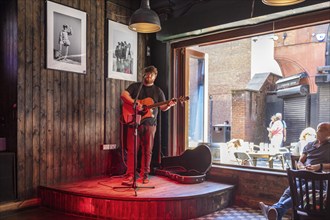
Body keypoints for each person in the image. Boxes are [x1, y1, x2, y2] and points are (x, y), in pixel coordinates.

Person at [259, 122, 330, 220]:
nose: (318, 131)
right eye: (318, 129)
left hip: (319, 180)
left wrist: (319, 166)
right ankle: (276, 212)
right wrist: (301, 167)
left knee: (298, 191)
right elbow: (300, 161)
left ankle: (275, 210)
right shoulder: (309, 145)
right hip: (303, 175)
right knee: (288, 192)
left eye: (322, 130)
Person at [121, 66, 177, 185]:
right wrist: (135, 103)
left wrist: (169, 105)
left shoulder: (158, 91)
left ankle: (145, 175)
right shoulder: (135, 87)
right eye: (147, 74)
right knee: (132, 150)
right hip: (133, 123)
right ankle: (130, 175)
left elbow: (163, 108)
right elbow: (124, 95)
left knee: (148, 151)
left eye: (151, 74)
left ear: (155, 76)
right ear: (144, 75)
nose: (149, 76)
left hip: (150, 124)